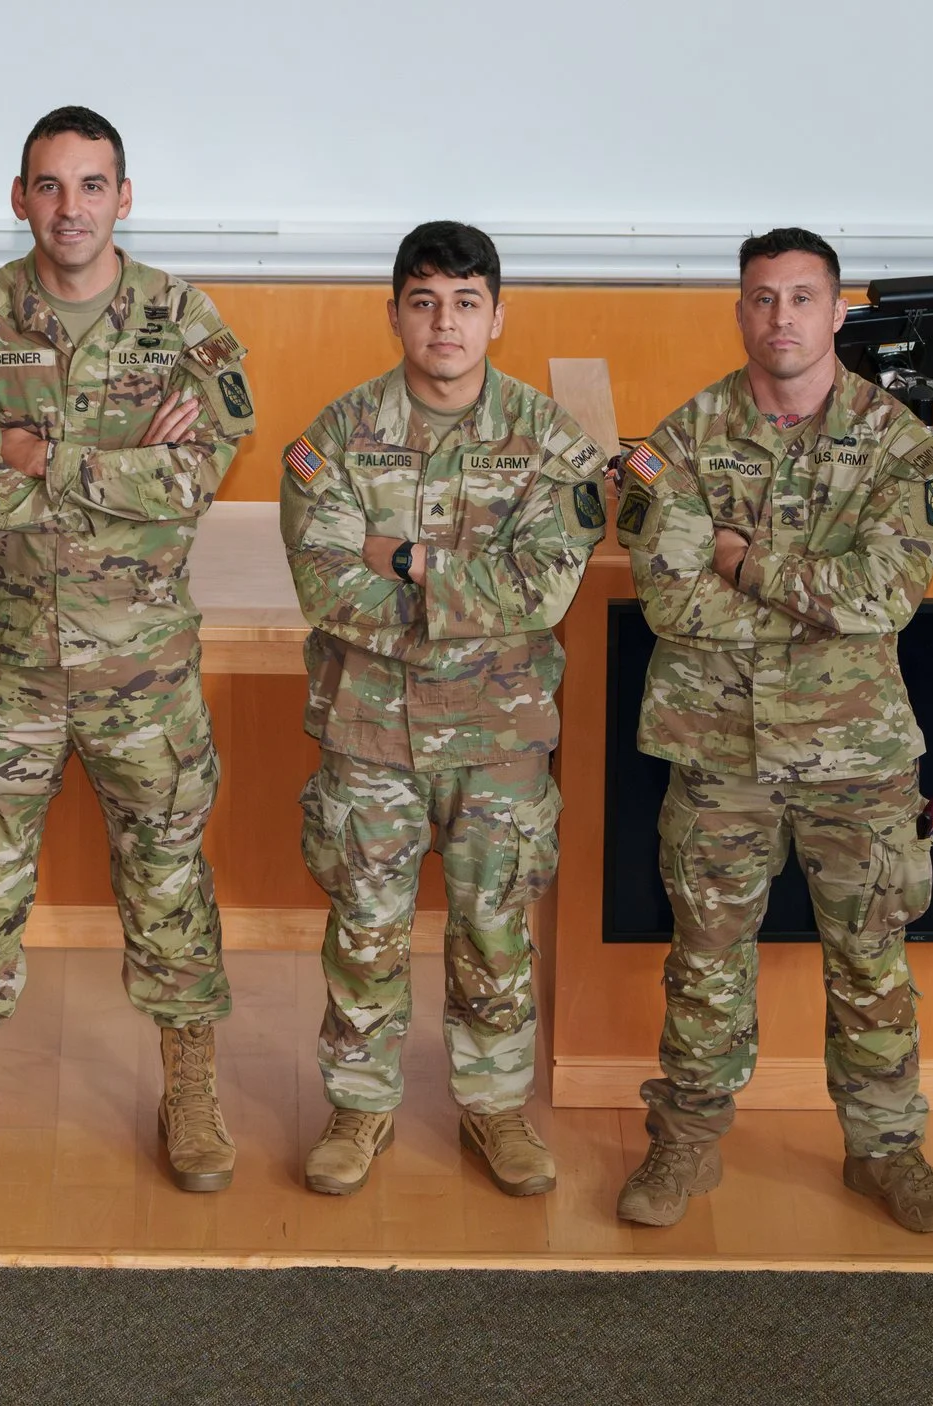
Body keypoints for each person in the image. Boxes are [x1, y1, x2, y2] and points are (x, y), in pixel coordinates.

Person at [0, 106, 257, 1192]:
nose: (70, 208)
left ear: (124, 196)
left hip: (141, 670)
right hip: (7, 667)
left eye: (91, 185)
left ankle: (189, 1088)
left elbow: (198, 478)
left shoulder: (183, 319)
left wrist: (38, 452)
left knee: (166, 883)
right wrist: (116, 460)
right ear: (19, 198)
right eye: (48, 186)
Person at [614, 227, 933, 1234]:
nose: (781, 318)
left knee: (872, 959)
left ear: (838, 310)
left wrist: (749, 562)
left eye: (801, 297)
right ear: (738, 311)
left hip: (855, 757)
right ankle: (684, 1143)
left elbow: (883, 596)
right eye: (762, 298)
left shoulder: (902, 446)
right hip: (717, 750)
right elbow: (669, 602)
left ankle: (886, 1149)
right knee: (706, 956)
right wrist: (808, 595)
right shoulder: (677, 442)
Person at [281, 222, 605, 1198]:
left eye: (465, 302)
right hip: (370, 733)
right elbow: (326, 583)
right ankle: (361, 1102)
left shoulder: (552, 443)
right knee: (367, 930)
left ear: (496, 315)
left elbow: (545, 591)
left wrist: (409, 559)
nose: (444, 323)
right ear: (394, 314)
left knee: (494, 931)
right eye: (423, 302)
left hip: (499, 739)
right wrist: (470, 593)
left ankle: (495, 1107)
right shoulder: (335, 437)